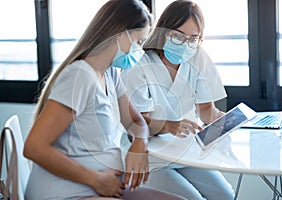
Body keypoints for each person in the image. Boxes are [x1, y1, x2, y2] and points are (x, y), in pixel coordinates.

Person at [23, 0, 186, 199]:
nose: (140, 50)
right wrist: (95, 179)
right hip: (67, 192)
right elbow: (34, 147)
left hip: (102, 184)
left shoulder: (109, 73)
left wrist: (140, 143)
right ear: (119, 33)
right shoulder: (79, 76)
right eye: (138, 42)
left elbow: (135, 121)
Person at [121, 0, 235, 199]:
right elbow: (137, 125)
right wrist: (170, 126)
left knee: (225, 195)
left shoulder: (197, 56)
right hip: (151, 158)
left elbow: (206, 109)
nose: (186, 44)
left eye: (193, 38)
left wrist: (218, 118)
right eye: (178, 36)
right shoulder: (139, 64)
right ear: (163, 32)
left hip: (185, 153)